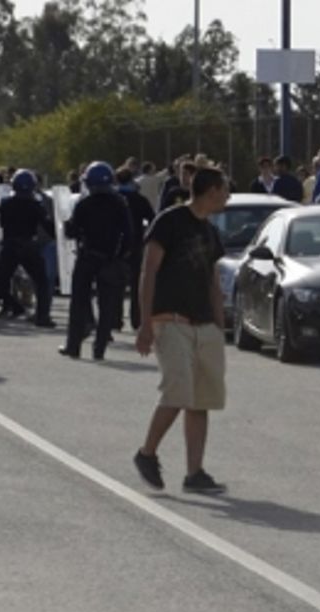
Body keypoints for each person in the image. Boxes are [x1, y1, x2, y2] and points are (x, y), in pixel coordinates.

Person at [133, 167, 230, 495]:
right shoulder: (170, 222)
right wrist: (145, 323)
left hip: (204, 325)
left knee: (200, 400)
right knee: (177, 393)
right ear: (211, 190)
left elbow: (213, 282)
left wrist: (220, 325)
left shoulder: (210, 232)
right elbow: (148, 271)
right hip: (170, 320)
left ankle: (195, 472)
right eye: (225, 189)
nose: (228, 196)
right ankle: (147, 453)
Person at [60, 162, 132, 359]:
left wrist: (67, 225)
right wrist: (120, 256)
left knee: (79, 303)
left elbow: (73, 232)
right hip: (109, 258)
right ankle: (99, 349)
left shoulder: (84, 204)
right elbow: (128, 234)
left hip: (87, 256)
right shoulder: (119, 203)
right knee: (107, 305)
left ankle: (73, 346)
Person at [0, 169, 56, 328]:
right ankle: (42, 317)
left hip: (10, 245)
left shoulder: (6, 203)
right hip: (29, 244)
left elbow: (1, 223)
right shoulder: (36, 205)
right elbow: (47, 226)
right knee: (42, 282)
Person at [115, 167, 154, 332]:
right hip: (136, 244)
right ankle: (136, 320)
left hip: (115, 246)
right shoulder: (139, 199)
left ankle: (114, 320)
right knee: (136, 283)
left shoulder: (113, 198)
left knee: (116, 285)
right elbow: (153, 218)